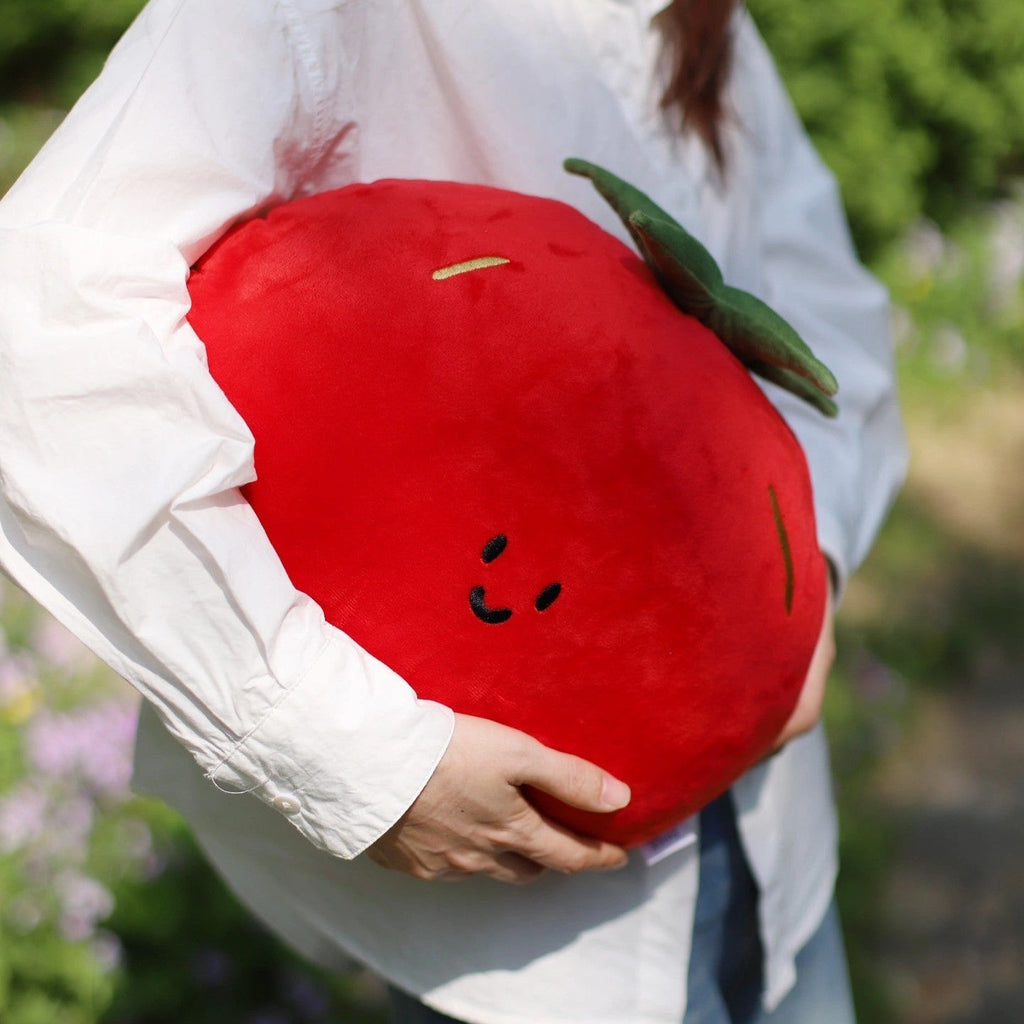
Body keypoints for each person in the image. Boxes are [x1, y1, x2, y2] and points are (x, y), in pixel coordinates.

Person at [0, 2, 906, 1022]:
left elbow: (818, 292)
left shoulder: (694, 18)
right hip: (527, 937)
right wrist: (357, 752)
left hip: (775, 836)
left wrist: (804, 567)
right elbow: (45, 318)